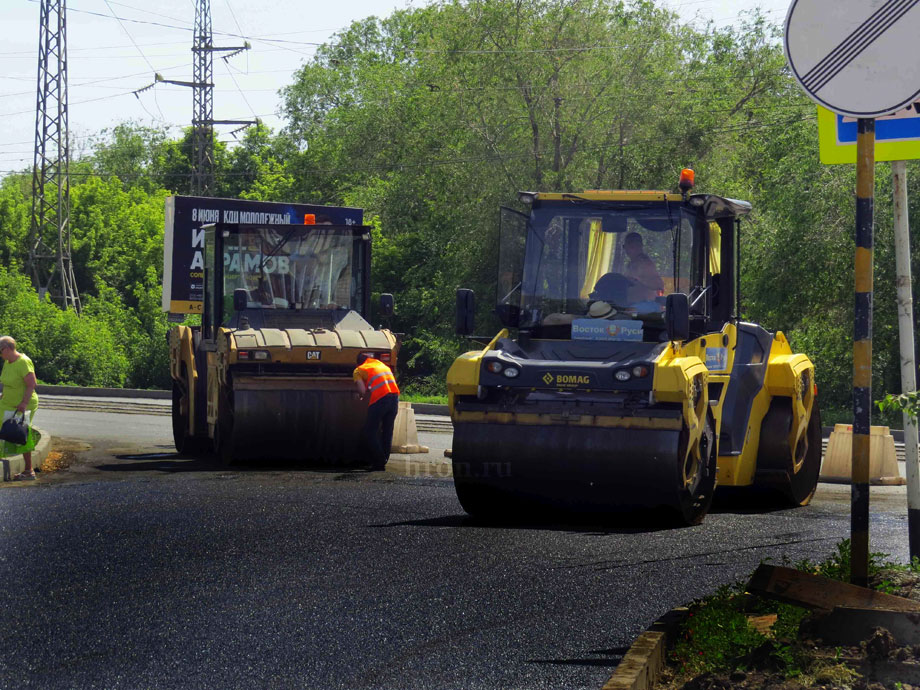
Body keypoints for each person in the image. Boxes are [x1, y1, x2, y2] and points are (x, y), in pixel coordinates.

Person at [0, 336, 39, 480]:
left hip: (23, 404)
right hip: (7, 402)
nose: (0, 354)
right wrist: (4, 394)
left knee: (21, 433)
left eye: (0, 351)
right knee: (1, 429)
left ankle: (29, 470)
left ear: (8, 348)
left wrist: (23, 403)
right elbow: (8, 381)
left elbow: (31, 384)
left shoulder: (23, 362)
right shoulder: (7, 362)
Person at [353, 353, 400, 471]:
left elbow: (362, 391)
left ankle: (379, 460)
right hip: (394, 398)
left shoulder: (359, 370)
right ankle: (384, 459)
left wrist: (358, 395)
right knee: (387, 430)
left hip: (380, 399)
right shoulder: (381, 365)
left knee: (369, 431)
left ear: (359, 362)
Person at [623, 232, 664, 302]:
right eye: (624, 247)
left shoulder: (645, 263)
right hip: (631, 307)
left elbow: (659, 285)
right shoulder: (631, 264)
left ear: (639, 246)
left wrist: (638, 279)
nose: (627, 250)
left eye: (631, 246)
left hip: (644, 309)